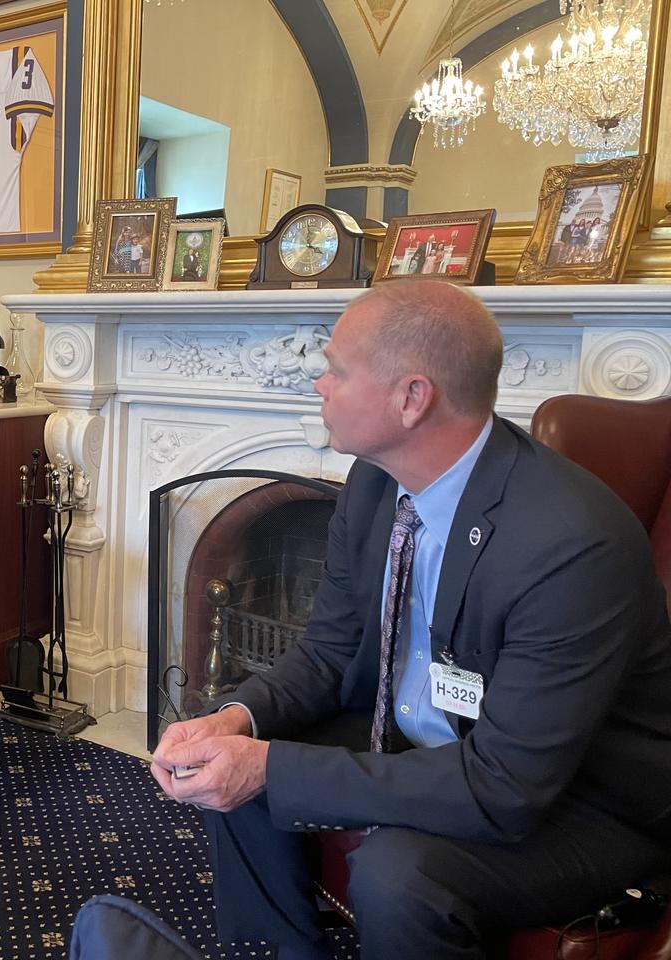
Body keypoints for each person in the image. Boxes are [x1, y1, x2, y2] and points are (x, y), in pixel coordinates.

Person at [150, 281, 671, 960]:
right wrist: (237, 720)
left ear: (412, 397)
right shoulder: (375, 482)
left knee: (400, 875)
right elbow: (329, 651)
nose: (319, 385)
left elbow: (506, 785)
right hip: (426, 738)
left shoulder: (571, 543)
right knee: (230, 757)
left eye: (337, 370)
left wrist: (271, 767)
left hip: (580, 798)